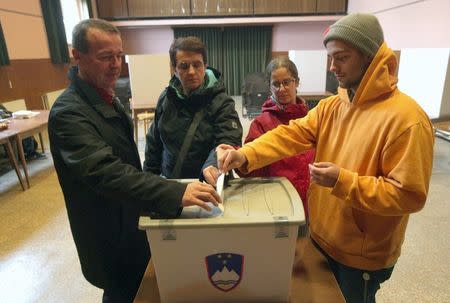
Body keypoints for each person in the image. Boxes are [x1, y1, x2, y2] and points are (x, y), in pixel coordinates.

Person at [218, 13, 434, 303]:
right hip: (321, 238)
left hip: (361, 256)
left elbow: (408, 195)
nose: (333, 67)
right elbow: (290, 135)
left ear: (370, 56)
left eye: (341, 58)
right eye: (331, 58)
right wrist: (244, 155)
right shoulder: (333, 105)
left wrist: (343, 181)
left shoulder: (407, 119)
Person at [48, 19, 220, 303]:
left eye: (119, 56)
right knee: (121, 292)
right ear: (77, 56)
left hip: (130, 223)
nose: (116, 64)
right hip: (107, 234)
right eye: (105, 57)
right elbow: (106, 172)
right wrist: (175, 191)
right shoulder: (69, 113)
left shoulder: (107, 99)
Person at [143, 36, 242, 183]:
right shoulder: (166, 98)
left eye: (197, 65)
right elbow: (154, 143)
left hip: (207, 185)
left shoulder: (222, 102)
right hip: (172, 186)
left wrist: (213, 164)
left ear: (205, 66)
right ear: (174, 69)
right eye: (184, 66)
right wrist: (148, 179)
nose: (191, 72)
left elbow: (228, 138)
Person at [243, 57, 314, 221]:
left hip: (311, 203)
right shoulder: (260, 124)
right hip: (278, 205)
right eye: (276, 84)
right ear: (269, 87)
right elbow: (252, 174)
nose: (282, 89)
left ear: (296, 82)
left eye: (287, 82)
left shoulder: (312, 120)